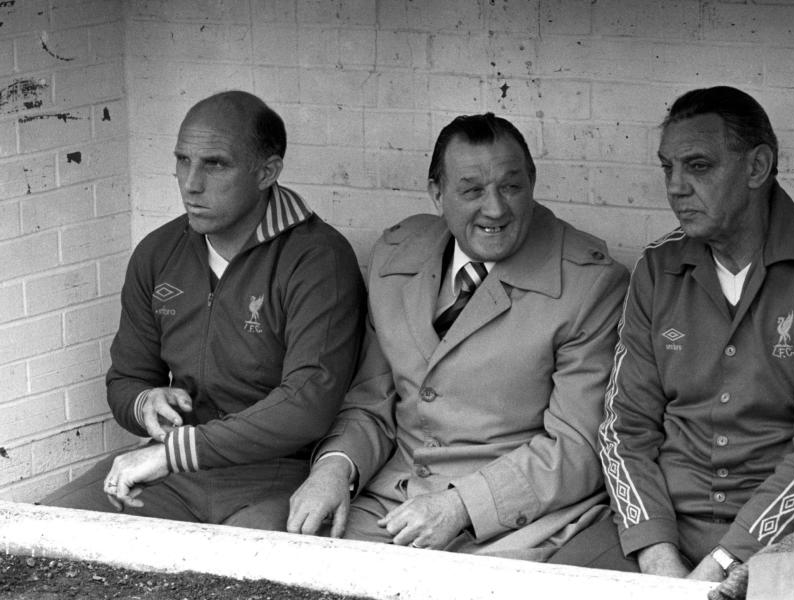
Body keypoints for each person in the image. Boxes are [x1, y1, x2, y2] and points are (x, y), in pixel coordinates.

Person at [550, 86, 794, 580]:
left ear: (757, 167)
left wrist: (726, 560)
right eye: (667, 167)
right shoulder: (657, 268)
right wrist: (655, 551)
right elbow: (624, 430)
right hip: (667, 525)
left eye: (698, 166)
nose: (675, 186)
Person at [286, 113, 629, 561]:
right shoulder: (396, 255)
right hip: (396, 499)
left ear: (532, 182)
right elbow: (371, 402)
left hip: (518, 519)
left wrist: (460, 506)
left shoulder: (589, 283)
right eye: (471, 190)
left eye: (511, 186)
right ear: (437, 194)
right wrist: (335, 468)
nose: (495, 209)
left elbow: (577, 447)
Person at [42, 91, 366, 531]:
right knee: (36, 531)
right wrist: (145, 404)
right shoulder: (159, 252)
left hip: (279, 474)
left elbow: (306, 406)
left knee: (232, 574)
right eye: (182, 160)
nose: (191, 183)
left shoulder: (318, 258)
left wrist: (175, 452)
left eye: (215, 164)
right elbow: (126, 379)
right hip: (174, 470)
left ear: (267, 171)